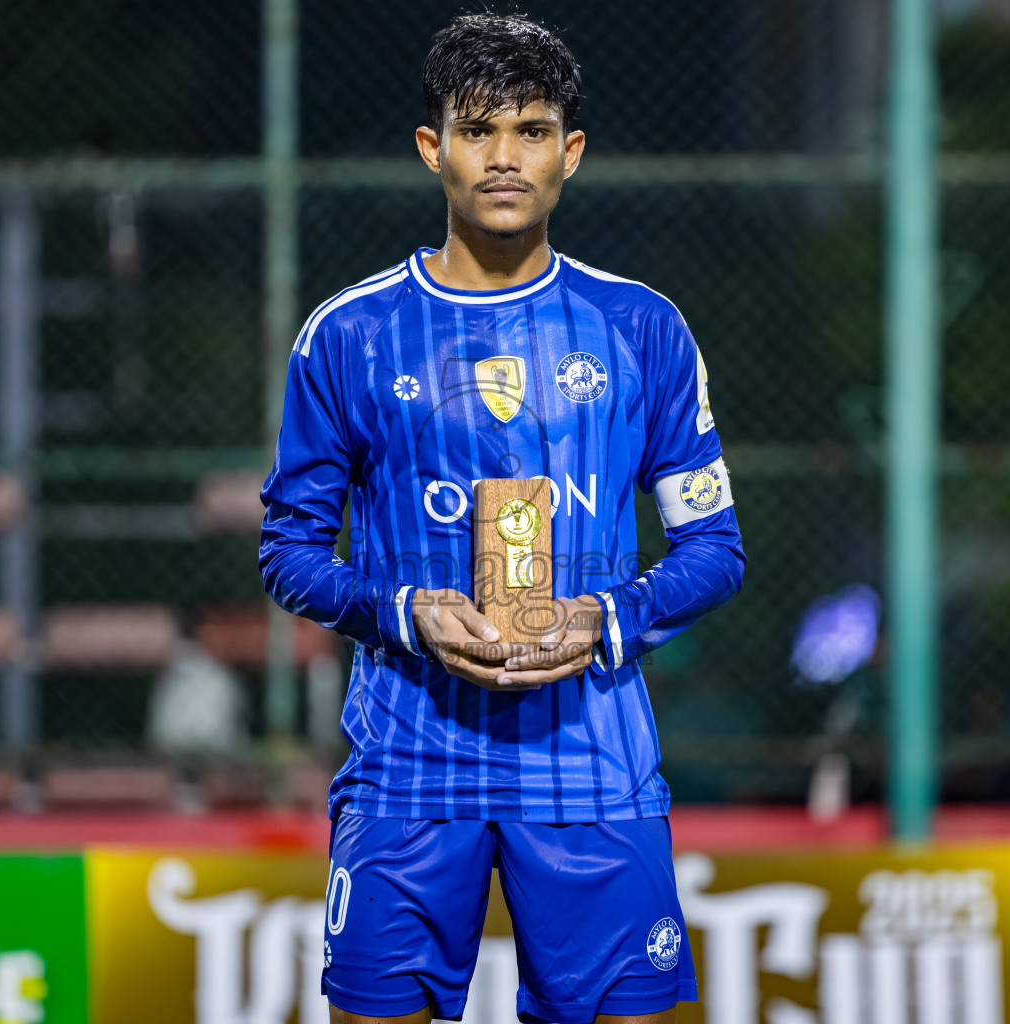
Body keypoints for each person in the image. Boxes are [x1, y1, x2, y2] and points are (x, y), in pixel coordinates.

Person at [260, 13, 744, 1024]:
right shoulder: (349, 334)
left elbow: (713, 549)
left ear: (570, 152)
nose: (505, 157)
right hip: (407, 771)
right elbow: (290, 552)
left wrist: (603, 618)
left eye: (530, 131)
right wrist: (404, 611)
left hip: (593, 770)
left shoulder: (641, 329)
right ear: (434, 148)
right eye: (479, 131)